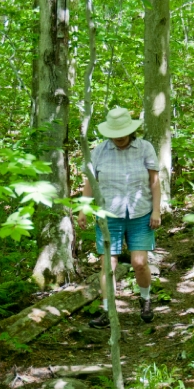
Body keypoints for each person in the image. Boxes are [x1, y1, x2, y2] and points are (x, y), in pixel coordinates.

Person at [77, 107, 161, 327]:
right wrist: (83, 208)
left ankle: (145, 301)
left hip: (140, 213)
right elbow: (90, 182)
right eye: (114, 135)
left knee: (139, 263)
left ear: (131, 131)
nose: (119, 138)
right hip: (108, 215)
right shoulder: (99, 152)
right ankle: (107, 312)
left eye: (122, 133)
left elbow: (154, 181)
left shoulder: (145, 148)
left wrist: (157, 210)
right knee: (108, 266)